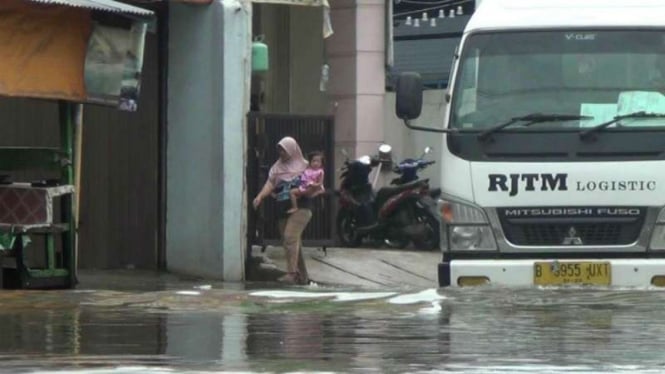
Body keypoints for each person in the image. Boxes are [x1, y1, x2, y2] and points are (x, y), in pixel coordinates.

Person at [252, 137, 321, 285]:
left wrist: (308, 190)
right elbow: (270, 183)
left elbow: (317, 184)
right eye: (280, 150)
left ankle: (291, 273)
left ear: (292, 149)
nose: (281, 153)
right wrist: (260, 196)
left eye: (284, 149)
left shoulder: (305, 166)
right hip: (283, 209)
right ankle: (302, 277)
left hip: (302, 207)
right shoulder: (277, 168)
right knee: (291, 242)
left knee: (290, 237)